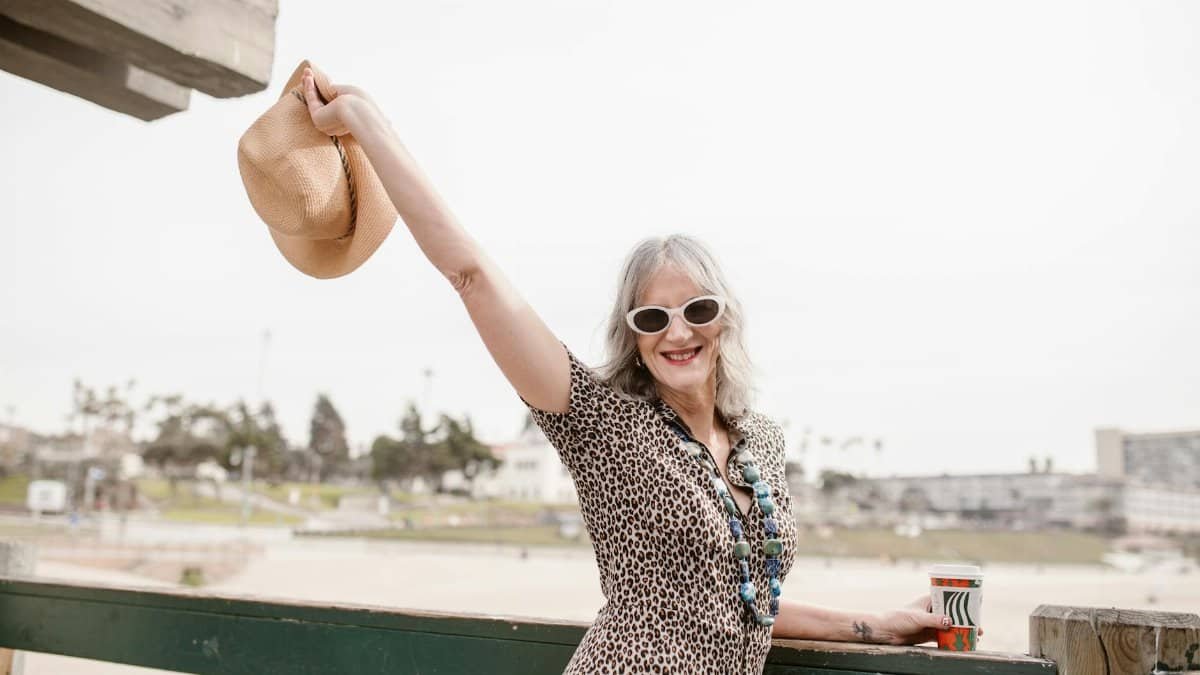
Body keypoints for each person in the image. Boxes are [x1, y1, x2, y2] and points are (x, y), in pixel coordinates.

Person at [299, 68, 974, 674]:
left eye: (696, 309)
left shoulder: (760, 442)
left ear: (725, 316)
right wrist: (365, 120)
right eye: (653, 318)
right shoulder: (601, 422)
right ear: (633, 334)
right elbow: (470, 274)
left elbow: (743, 605)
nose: (677, 331)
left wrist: (878, 626)